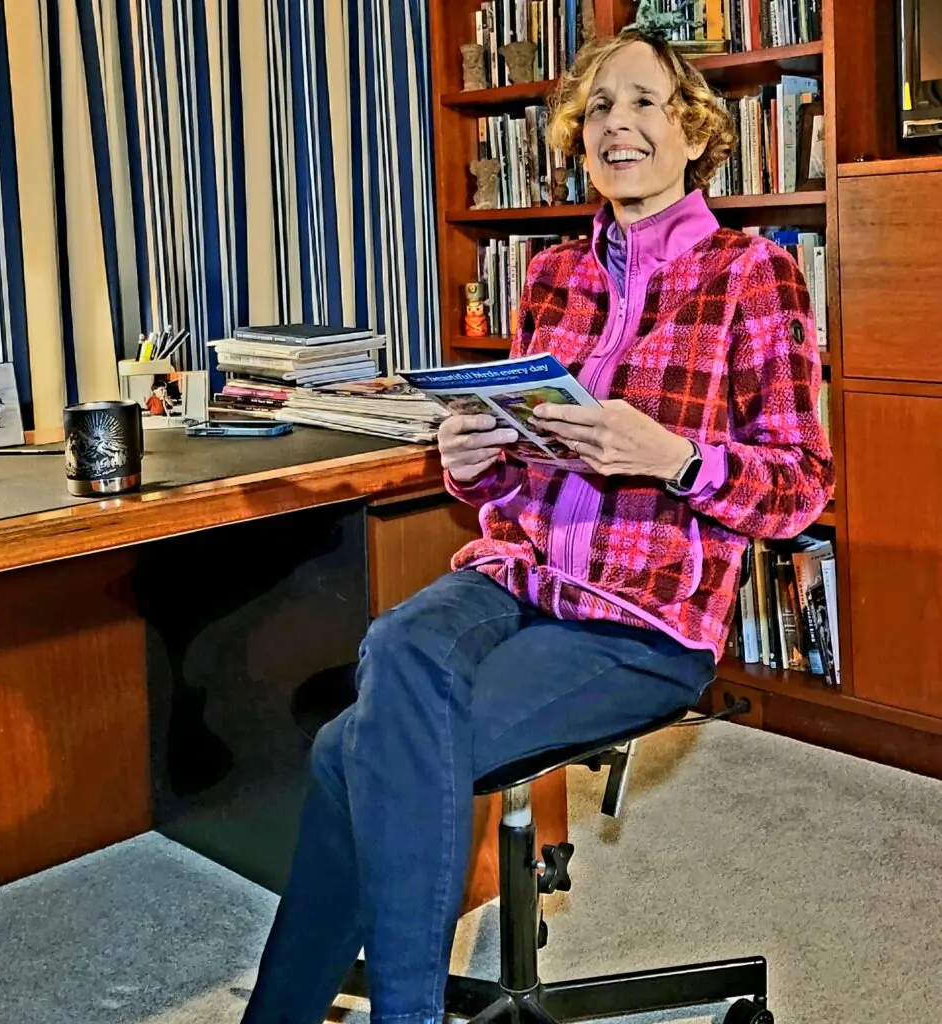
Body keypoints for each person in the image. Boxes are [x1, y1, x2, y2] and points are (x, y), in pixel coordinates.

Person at [242, 26, 834, 1024]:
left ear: (693, 134)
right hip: (518, 577)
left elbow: (799, 486)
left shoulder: (749, 275)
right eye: (598, 108)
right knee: (395, 639)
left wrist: (677, 458)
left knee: (353, 751)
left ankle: (372, 1012)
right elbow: (516, 466)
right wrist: (471, 465)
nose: (617, 125)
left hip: (641, 620)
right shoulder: (555, 274)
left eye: (643, 103)